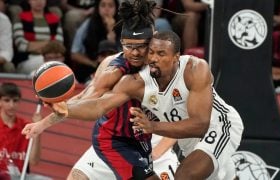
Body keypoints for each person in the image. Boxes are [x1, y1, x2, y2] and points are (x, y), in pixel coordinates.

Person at [23, 30, 244, 179]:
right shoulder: (135, 81)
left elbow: (201, 124)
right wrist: (64, 109)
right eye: (151, 53)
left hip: (218, 126)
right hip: (146, 140)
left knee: (185, 176)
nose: (153, 58)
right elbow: (98, 105)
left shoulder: (195, 69)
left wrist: (153, 127)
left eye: (161, 54)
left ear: (177, 56)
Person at [24, 1, 180, 179]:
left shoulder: (169, 69)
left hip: (154, 138)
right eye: (129, 46)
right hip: (113, 139)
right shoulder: (112, 69)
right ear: (121, 43)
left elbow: (182, 116)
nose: (135, 53)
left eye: (141, 47)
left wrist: (158, 152)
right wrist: (44, 123)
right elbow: (85, 99)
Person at [70, 0, 120, 83]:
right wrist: (93, 63)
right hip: (92, 66)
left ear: (116, 8)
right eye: (103, 6)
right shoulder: (88, 24)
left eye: (110, 6)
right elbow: (74, 54)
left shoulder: (123, 25)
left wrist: (111, 29)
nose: (106, 9)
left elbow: (120, 52)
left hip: (116, 67)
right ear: (98, 8)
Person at [0, 82, 41, 177]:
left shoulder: (27, 126)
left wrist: (38, 129)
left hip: (18, 176)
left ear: (19, 102)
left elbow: (34, 161)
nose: (11, 105)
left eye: (15, 101)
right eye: (7, 100)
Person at [12, 0, 64, 74]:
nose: (39, 1)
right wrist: (49, 45)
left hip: (52, 58)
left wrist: (33, 45)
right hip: (27, 60)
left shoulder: (55, 19)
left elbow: (59, 45)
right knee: (48, 63)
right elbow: (21, 45)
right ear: (29, 1)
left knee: (53, 63)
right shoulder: (20, 18)